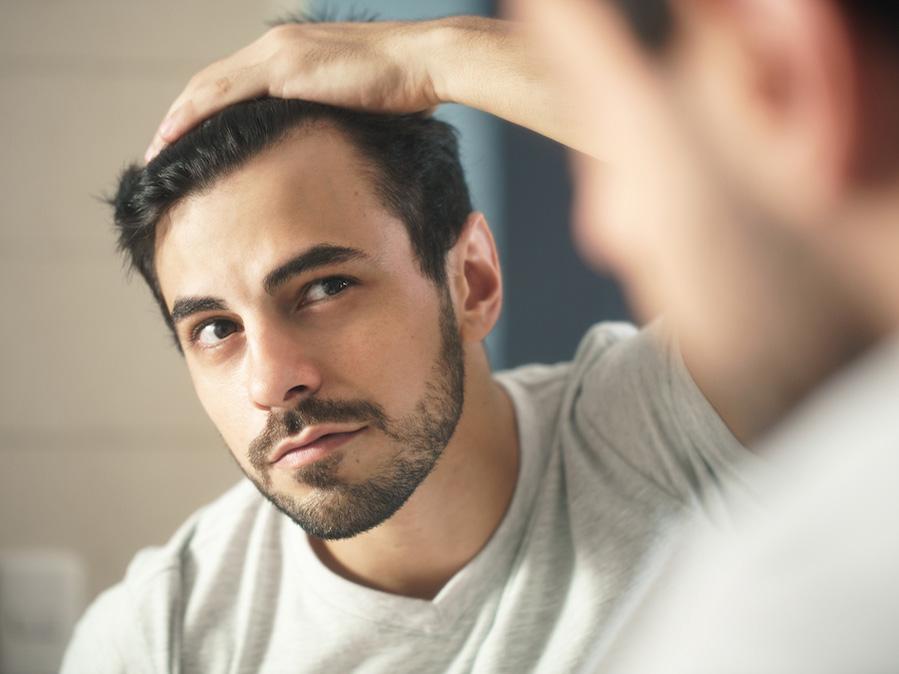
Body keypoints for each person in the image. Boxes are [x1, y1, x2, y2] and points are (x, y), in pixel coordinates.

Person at [137, 1, 899, 671]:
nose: (271, 381)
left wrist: (426, 56)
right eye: (216, 329)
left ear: (471, 280)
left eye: (325, 288)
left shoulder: (672, 422)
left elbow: (777, 162)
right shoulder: (163, 632)